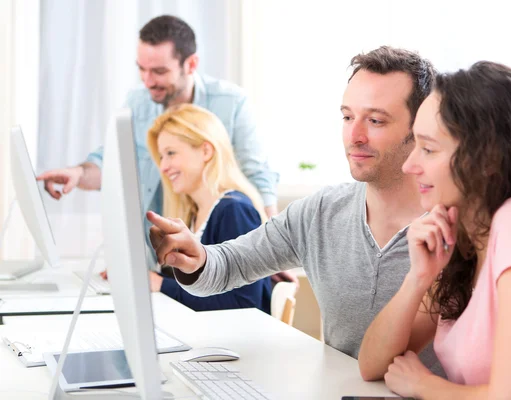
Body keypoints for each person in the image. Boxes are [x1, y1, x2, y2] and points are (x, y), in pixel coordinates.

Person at [145, 46, 445, 373]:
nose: (354, 136)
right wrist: (196, 259)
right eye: (347, 117)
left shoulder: (453, 228)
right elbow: (229, 265)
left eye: (375, 120)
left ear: (420, 130)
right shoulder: (320, 213)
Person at [358, 61, 511, 398]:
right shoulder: (466, 243)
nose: (409, 165)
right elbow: (372, 365)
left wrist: (425, 386)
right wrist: (418, 278)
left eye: (428, 149)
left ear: (485, 160)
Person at [36, 15, 279, 218]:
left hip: (213, 243)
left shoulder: (232, 102)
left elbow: (257, 176)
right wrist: (78, 174)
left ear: (191, 64)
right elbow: (111, 164)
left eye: (159, 71)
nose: (148, 81)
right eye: (142, 69)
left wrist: (272, 250)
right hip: (158, 251)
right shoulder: (137, 103)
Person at [143, 103, 272, 313]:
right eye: (161, 157)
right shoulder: (195, 214)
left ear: (205, 151)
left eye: (171, 153)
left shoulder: (234, 210)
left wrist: (159, 285)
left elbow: (242, 304)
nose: (163, 167)